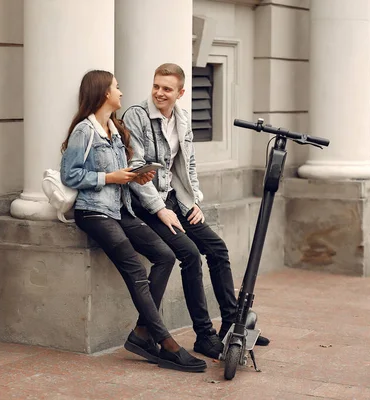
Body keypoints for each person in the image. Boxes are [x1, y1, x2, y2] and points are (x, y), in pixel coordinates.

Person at [60, 70, 206, 373]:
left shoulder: (116, 128)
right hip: (94, 211)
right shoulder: (84, 131)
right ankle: (165, 342)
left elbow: (125, 173)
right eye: (116, 87)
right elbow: (69, 174)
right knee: (137, 269)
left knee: (165, 256)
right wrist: (108, 177)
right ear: (103, 94)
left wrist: (137, 175)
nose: (121, 92)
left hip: (120, 208)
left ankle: (141, 333)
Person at [122, 63, 270, 360]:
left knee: (217, 249)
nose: (159, 93)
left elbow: (187, 165)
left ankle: (231, 323)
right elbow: (135, 168)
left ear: (180, 92)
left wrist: (194, 201)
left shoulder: (183, 119)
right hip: (147, 205)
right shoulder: (136, 116)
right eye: (156, 86)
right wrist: (160, 210)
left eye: (167, 89)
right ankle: (204, 335)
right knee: (189, 254)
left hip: (177, 199)